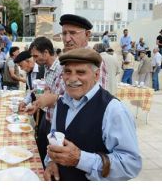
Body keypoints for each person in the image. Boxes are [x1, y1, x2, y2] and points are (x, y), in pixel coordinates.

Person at [44, 48, 142, 181]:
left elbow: (130, 165)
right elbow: (54, 137)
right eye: (67, 72)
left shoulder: (113, 110)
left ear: (96, 75)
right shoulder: (61, 102)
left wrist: (80, 159)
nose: (72, 79)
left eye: (81, 72)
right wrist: (51, 161)